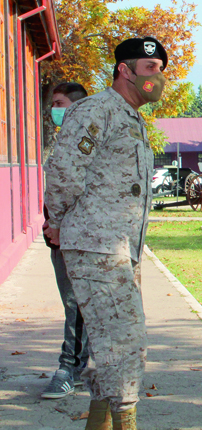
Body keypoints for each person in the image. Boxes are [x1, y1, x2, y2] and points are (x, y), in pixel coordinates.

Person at [44, 37, 168, 430]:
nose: (158, 78)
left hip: (119, 248)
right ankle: (126, 420)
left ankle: (99, 420)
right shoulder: (96, 110)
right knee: (126, 342)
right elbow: (64, 171)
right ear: (124, 70)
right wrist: (57, 222)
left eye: (161, 71)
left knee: (109, 342)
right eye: (150, 69)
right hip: (96, 247)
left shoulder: (132, 118)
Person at [40, 82, 90, 400]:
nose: (54, 109)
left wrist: (60, 226)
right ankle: (80, 365)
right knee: (75, 305)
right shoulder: (64, 140)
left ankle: (68, 369)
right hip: (57, 237)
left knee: (76, 303)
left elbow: (77, 191)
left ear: (76, 106)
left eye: (59, 103)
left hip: (75, 236)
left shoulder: (86, 142)